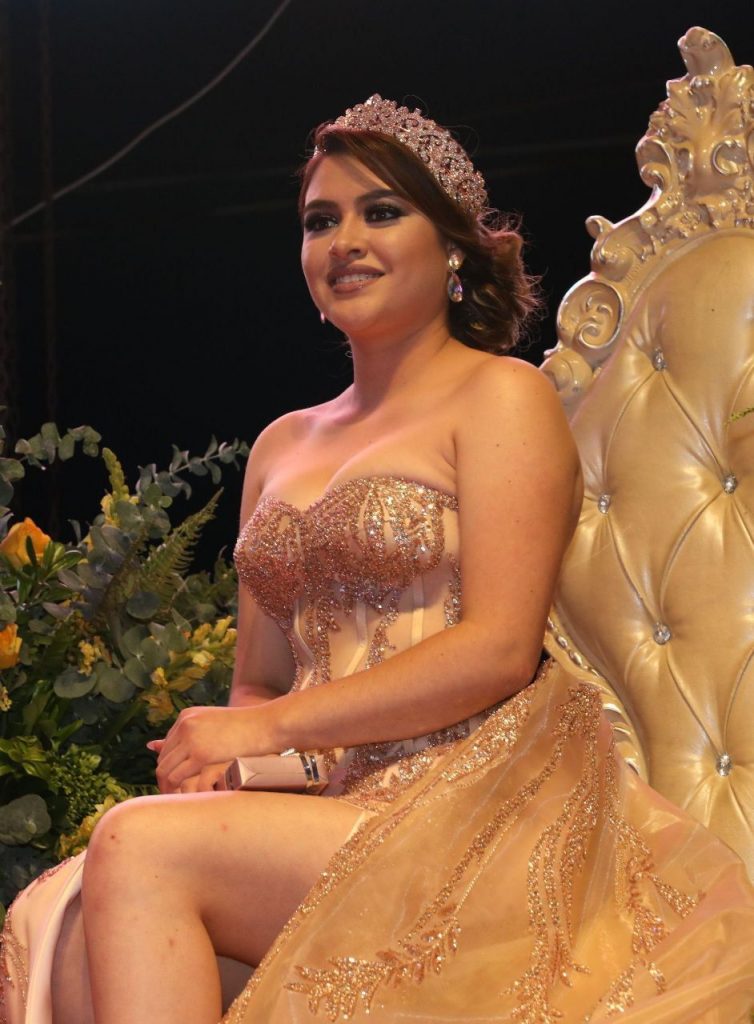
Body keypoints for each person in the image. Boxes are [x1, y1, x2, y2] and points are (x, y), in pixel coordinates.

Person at [2, 95, 754, 1024]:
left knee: (136, 848)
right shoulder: (281, 445)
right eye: (321, 221)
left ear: (453, 250)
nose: (345, 241)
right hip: (328, 806)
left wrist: (262, 734)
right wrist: (223, 767)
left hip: (478, 806)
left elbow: (498, 650)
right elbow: (260, 681)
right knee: (62, 911)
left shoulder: (500, 398)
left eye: (382, 212)